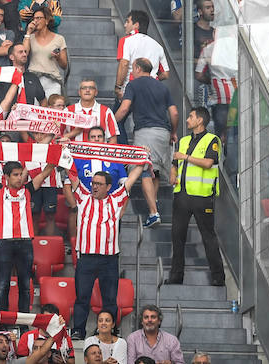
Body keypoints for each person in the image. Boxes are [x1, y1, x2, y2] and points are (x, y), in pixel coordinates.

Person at [64, 163, 145, 340]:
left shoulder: (116, 199)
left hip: (109, 259)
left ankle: (110, 331)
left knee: (109, 299)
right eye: (93, 183)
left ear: (109, 186)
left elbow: (131, 179)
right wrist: (65, 153)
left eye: (99, 184)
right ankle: (78, 330)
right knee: (82, 297)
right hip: (86, 258)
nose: (94, 186)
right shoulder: (83, 196)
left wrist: (142, 161)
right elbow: (72, 174)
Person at [167, 107, 223, 286]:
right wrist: (173, 173)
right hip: (182, 195)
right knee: (177, 236)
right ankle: (176, 276)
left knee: (208, 237)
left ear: (200, 121)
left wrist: (186, 157)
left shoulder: (212, 140)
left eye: (191, 117)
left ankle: (218, 277)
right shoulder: (183, 141)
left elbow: (208, 163)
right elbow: (175, 162)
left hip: (202, 196)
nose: (187, 120)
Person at [0, 160, 51, 313]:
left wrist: (56, 156)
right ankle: (3, 322)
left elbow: (45, 173)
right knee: (3, 285)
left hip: (25, 242)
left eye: (21, 174)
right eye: (15, 175)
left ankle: (23, 321)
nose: (20, 178)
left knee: (25, 286)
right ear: (6, 176)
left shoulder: (28, 189)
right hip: (4, 242)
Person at [114, 57, 173, 228]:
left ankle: (154, 213)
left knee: (145, 170)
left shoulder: (134, 85)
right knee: (154, 171)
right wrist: (173, 132)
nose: (132, 72)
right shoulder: (162, 87)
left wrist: (110, 122)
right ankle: (152, 208)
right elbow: (174, 113)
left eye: (133, 69)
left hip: (146, 132)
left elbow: (124, 108)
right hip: (164, 132)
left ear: (139, 69)